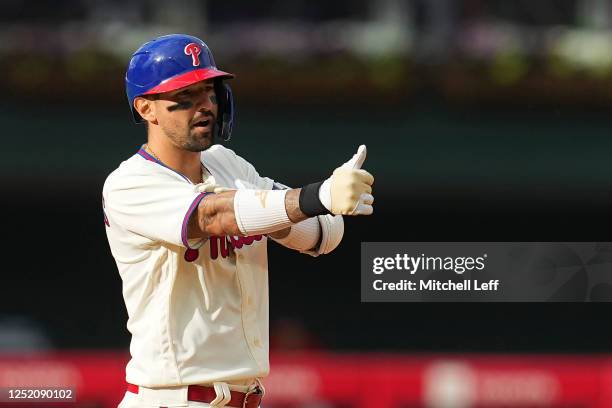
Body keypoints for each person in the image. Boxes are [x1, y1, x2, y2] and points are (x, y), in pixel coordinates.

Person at [103, 34, 374, 408]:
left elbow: (322, 235)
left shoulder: (227, 164)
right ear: (146, 108)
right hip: (173, 399)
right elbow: (213, 216)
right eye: (184, 97)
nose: (203, 107)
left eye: (209, 93)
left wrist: (307, 206)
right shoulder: (129, 183)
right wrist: (317, 197)